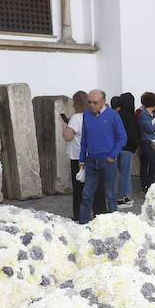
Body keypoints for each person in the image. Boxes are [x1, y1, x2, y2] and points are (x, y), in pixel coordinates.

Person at [79, 89, 125, 223]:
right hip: (91, 160)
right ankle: (83, 224)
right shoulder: (86, 114)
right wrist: (82, 158)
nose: (92, 105)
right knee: (86, 195)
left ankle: (113, 225)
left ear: (103, 102)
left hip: (107, 160)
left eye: (95, 102)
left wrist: (113, 154)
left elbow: (122, 137)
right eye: (89, 102)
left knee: (110, 194)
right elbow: (84, 138)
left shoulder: (113, 115)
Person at [61, 90, 90, 220]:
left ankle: (79, 215)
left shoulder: (77, 117)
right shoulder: (94, 115)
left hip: (78, 156)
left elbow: (68, 136)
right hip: (92, 155)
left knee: (79, 188)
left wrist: (65, 126)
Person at [111, 92, 140, 208]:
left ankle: (121, 196)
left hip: (116, 148)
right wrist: (135, 146)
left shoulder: (117, 115)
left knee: (117, 174)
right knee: (125, 174)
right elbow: (133, 134)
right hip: (127, 148)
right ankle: (121, 198)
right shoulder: (130, 115)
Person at [137, 91, 155, 192]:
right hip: (147, 142)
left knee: (153, 166)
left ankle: (148, 187)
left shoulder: (152, 114)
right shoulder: (144, 114)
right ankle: (148, 187)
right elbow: (150, 129)